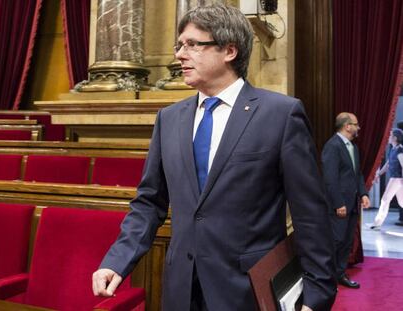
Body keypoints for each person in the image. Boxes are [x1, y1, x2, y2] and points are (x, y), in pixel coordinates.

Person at [92, 4, 336, 311]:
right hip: (181, 289)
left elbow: (310, 213)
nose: (180, 54)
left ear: (229, 51)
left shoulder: (281, 114)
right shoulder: (169, 119)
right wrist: (118, 260)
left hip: (247, 290)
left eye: (193, 45)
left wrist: (315, 295)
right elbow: (149, 203)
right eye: (179, 45)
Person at [321, 112, 371, 289]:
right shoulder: (332, 146)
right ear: (347, 126)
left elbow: (357, 174)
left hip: (353, 205)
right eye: (356, 124)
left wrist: (363, 194)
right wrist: (338, 203)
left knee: (347, 242)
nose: (358, 127)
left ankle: (340, 274)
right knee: (336, 241)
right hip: (339, 206)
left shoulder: (353, 147)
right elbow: (330, 178)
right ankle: (325, 278)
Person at [367, 128, 403, 229]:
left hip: (397, 179)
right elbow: (388, 164)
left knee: (385, 200)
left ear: (395, 138)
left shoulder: (400, 150)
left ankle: (376, 224)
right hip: (396, 179)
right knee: (402, 202)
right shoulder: (393, 149)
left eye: (390, 135)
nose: (388, 137)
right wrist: (378, 174)